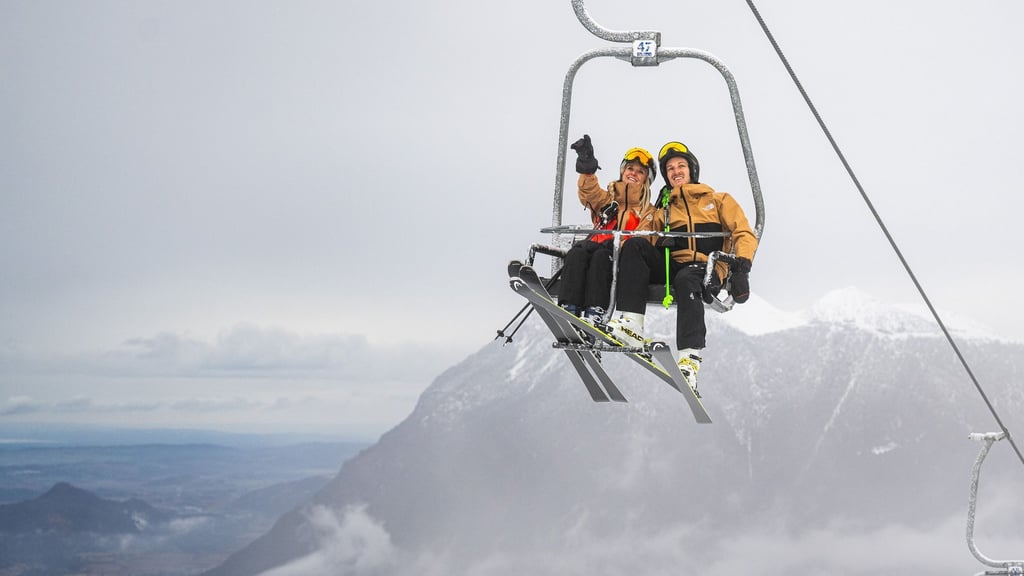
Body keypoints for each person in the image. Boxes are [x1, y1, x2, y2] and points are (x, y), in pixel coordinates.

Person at [605, 140, 758, 391]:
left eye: (681, 166)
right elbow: (645, 234)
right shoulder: (663, 210)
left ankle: (689, 358)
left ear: (691, 170)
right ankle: (631, 324)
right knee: (635, 246)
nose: (676, 171)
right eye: (670, 168)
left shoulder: (718, 200)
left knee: (686, 279)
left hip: (706, 266)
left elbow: (743, 233)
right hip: (672, 266)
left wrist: (742, 267)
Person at [557, 134, 658, 324]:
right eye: (630, 168)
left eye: (640, 172)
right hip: (593, 252)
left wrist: (619, 244)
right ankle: (568, 306)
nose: (633, 173)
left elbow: (645, 239)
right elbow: (590, 193)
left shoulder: (648, 211)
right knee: (577, 252)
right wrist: (587, 169)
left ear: (646, 179)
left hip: (618, 261)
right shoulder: (607, 202)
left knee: (601, 257)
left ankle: (595, 311)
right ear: (622, 171)